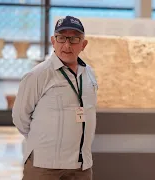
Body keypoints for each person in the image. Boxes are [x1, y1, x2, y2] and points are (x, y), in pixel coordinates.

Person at [12, 15, 98, 180]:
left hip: (81, 167)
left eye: (74, 39)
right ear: (53, 41)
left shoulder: (89, 74)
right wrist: (43, 141)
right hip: (45, 167)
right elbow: (20, 118)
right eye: (61, 38)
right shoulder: (38, 75)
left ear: (83, 44)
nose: (67, 45)